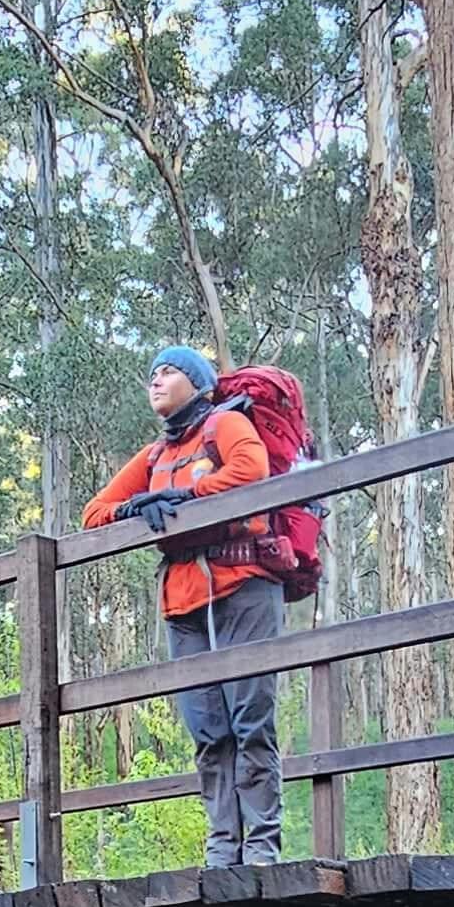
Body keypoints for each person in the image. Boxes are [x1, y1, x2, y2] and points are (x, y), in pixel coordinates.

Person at [83, 347, 285, 869]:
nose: (156, 380)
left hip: (243, 584)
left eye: (168, 371)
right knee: (207, 730)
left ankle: (261, 849)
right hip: (182, 600)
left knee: (250, 719)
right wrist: (137, 506)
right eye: (151, 373)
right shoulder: (153, 456)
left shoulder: (226, 424)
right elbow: (93, 514)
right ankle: (223, 851)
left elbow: (251, 469)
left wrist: (185, 495)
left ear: (195, 382)